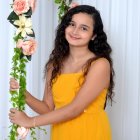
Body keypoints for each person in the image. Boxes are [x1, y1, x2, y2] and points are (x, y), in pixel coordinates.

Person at [9, 5, 114, 140]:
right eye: (72, 24)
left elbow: (75, 109)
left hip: (90, 132)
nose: (75, 31)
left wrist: (30, 121)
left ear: (93, 35)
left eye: (84, 28)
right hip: (61, 133)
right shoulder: (54, 65)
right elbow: (47, 108)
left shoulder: (100, 64)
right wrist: (23, 93)